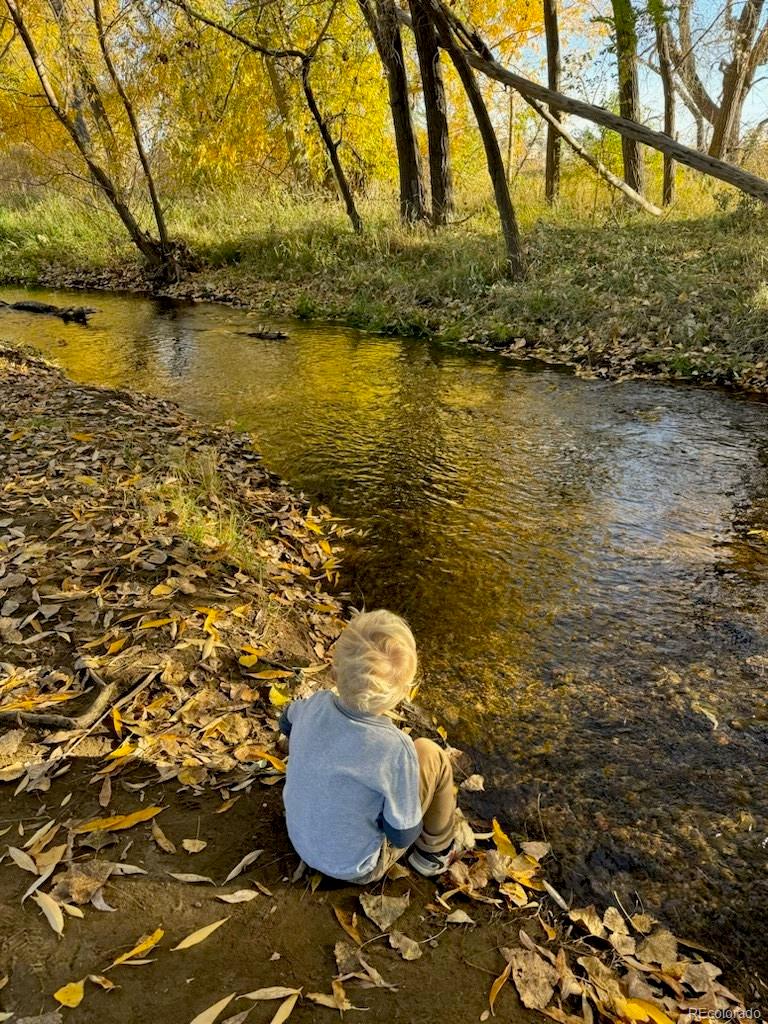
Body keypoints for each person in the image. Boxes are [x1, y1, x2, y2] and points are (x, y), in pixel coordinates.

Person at [278, 609, 456, 883]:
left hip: (300, 838)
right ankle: (434, 854)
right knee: (432, 755)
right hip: (354, 867)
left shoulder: (315, 704)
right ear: (401, 694)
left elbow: (286, 723)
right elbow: (402, 834)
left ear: (335, 672)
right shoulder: (396, 750)